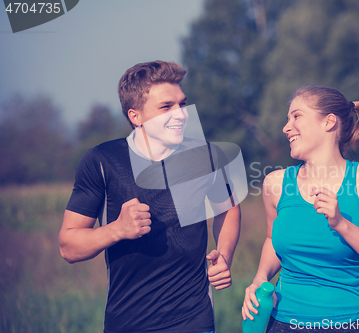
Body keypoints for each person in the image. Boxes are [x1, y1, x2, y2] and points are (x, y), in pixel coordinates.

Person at [59, 60, 241, 333]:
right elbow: (68, 247)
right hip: (128, 323)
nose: (181, 114)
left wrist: (224, 255)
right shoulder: (103, 160)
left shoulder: (206, 156)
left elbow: (228, 209)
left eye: (182, 104)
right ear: (136, 116)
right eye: (166, 107)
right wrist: (116, 230)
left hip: (195, 320)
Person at [242, 85, 359, 332]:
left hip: (353, 323)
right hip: (284, 323)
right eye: (287, 119)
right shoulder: (275, 183)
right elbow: (273, 240)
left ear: (328, 122)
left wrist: (342, 224)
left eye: (296, 116)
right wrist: (259, 279)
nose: (286, 127)